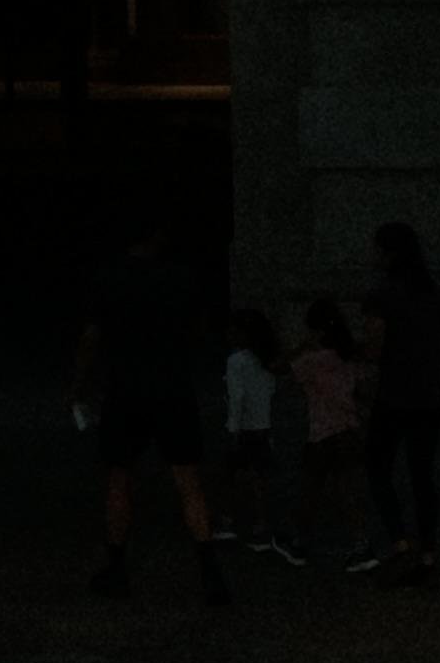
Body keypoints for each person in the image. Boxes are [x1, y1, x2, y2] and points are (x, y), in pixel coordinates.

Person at [80, 245, 223, 600]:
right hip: (172, 386)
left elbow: (92, 335)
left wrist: (79, 384)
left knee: (119, 477)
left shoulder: (111, 278)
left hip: (127, 387)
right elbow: (200, 329)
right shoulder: (180, 277)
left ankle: (116, 567)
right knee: (188, 479)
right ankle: (209, 572)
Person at [359, 218, 440, 579]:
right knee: (422, 474)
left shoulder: (382, 294)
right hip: (429, 392)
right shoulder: (433, 292)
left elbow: (374, 348)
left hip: (395, 393)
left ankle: (399, 540)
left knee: (377, 464)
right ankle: (428, 552)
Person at [290, 288, 370, 571]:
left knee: (310, 491)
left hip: (321, 433)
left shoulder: (310, 361)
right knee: (349, 490)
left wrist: (303, 347)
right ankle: (361, 544)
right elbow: (360, 391)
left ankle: (300, 543)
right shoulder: (348, 357)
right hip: (348, 428)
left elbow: (290, 372)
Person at [219, 294, 296, 563]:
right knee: (258, 477)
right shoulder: (266, 361)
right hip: (264, 426)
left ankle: (228, 522)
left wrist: (233, 428)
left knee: (232, 474)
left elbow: (237, 397)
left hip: (245, 428)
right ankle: (261, 526)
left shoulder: (236, 361)